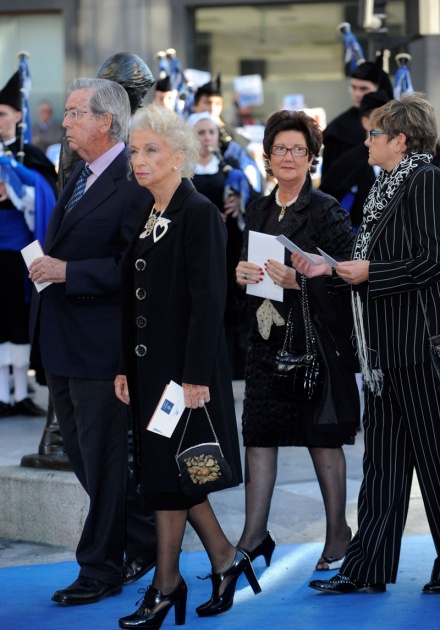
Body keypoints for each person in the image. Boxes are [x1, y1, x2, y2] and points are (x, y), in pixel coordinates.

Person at [114, 104, 261, 629]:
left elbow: (208, 300)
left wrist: (196, 376)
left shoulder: (196, 212)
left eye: (151, 150)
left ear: (180, 156)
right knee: (167, 475)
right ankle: (222, 560)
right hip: (151, 374)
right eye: (135, 150)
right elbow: (136, 300)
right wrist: (125, 365)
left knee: (167, 477)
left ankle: (166, 583)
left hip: (183, 376)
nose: (140, 160)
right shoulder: (151, 211)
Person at [301, 93, 440, 595]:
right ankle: (367, 568)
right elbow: (367, 267)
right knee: (381, 467)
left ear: (401, 140)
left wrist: (370, 272)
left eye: (375, 134)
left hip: (419, 349)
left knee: (435, 462)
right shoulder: (385, 187)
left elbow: (432, 261)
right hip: (380, 353)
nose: (366, 140)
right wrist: (327, 270)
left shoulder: (425, 180)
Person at [28, 78, 157, 605]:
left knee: (101, 459)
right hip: (62, 339)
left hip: (101, 343)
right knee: (82, 457)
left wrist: (67, 271)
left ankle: (100, 568)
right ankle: (145, 536)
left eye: (76, 113)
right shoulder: (80, 171)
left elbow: (134, 267)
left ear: (105, 121)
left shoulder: (133, 179)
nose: (66, 122)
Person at [235, 109, 360, 573]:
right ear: (267, 156)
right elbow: (247, 275)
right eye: (281, 148)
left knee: (321, 439)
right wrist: (242, 274)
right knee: (259, 435)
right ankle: (252, 536)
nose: (289, 157)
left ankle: (337, 535)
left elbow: (349, 278)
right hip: (267, 341)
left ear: (312, 157)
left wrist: (300, 282)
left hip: (315, 346)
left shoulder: (325, 209)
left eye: (299, 150)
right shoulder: (257, 209)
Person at [0, 71, 57, 418]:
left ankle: (21, 393)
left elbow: (47, 197)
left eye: (3, 113)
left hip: (20, 253)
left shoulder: (30, 155)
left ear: (18, 115)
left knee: (19, 319)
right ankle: (2, 395)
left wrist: (18, 190)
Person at [186, 111, 250, 379]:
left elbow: (248, 200)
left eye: (211, 132)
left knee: (229, 300)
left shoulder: (230, 168)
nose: (207, 137)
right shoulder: (184, 170)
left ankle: (233, 368)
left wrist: (239, 202)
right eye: (201, 132)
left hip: (227, 246)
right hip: (197, 245)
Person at [320, 90, 391, 231]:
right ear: (365, 122)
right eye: (379, 117)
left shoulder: (403, 156)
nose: (386, 124)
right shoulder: (346, 162)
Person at [321, 54, 393, 177]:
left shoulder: (403, 121)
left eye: (363, 88)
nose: (357, 94)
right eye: (353, 87)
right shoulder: (337, 129)